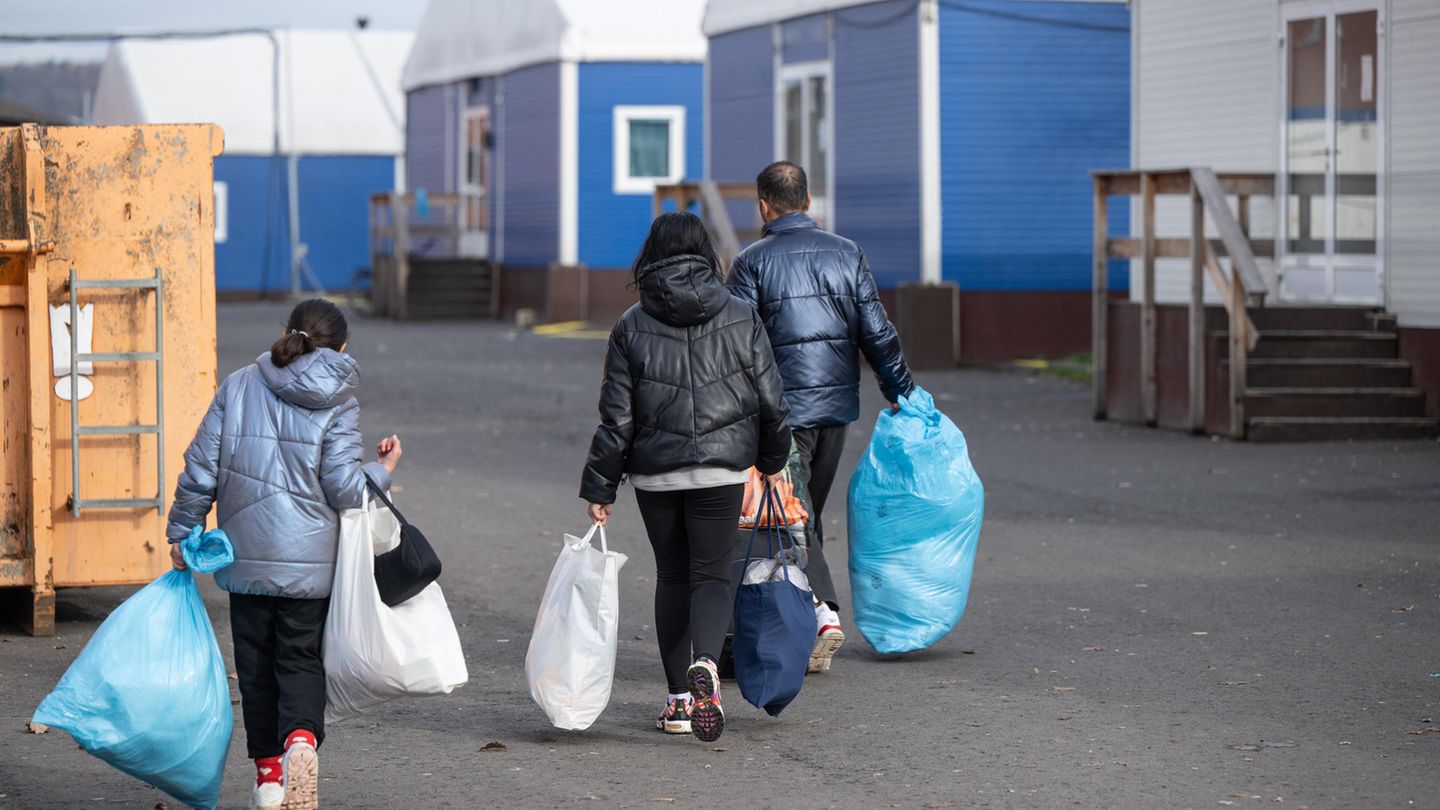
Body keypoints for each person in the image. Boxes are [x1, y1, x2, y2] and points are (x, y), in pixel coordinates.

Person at [166, 299, 400, 810]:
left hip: (244, 560)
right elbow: (343, 488)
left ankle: (269, 780)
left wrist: (183, 533)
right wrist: (382, 471)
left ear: (288, 332)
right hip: (310, 567)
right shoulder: (339, 399)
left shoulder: (238, 384)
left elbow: (200, 469)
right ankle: (301, 742)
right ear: (341, 347)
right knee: (299, 659)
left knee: (253, 669)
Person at [581, 212, 791, 743]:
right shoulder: (741, 315)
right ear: (705, 251)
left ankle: (678, 702)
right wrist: (770, 461)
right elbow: (773, 401)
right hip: (723, 468)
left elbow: (617, 417)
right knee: (712, 575)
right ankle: (708, 666)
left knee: (672, 577)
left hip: (656, 475)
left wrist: (601, 487)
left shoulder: (631, 323)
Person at [728, 161, 915, 675]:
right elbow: (877, 330)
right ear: (809, 202)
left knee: (793, 515)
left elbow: (737, 341)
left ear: (764, 205)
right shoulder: (847, 253)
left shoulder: (751, 261)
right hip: (837, 409)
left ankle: (823, 613)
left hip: (781, 412)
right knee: (805, 511)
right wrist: (901, 391)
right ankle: (809, 619)